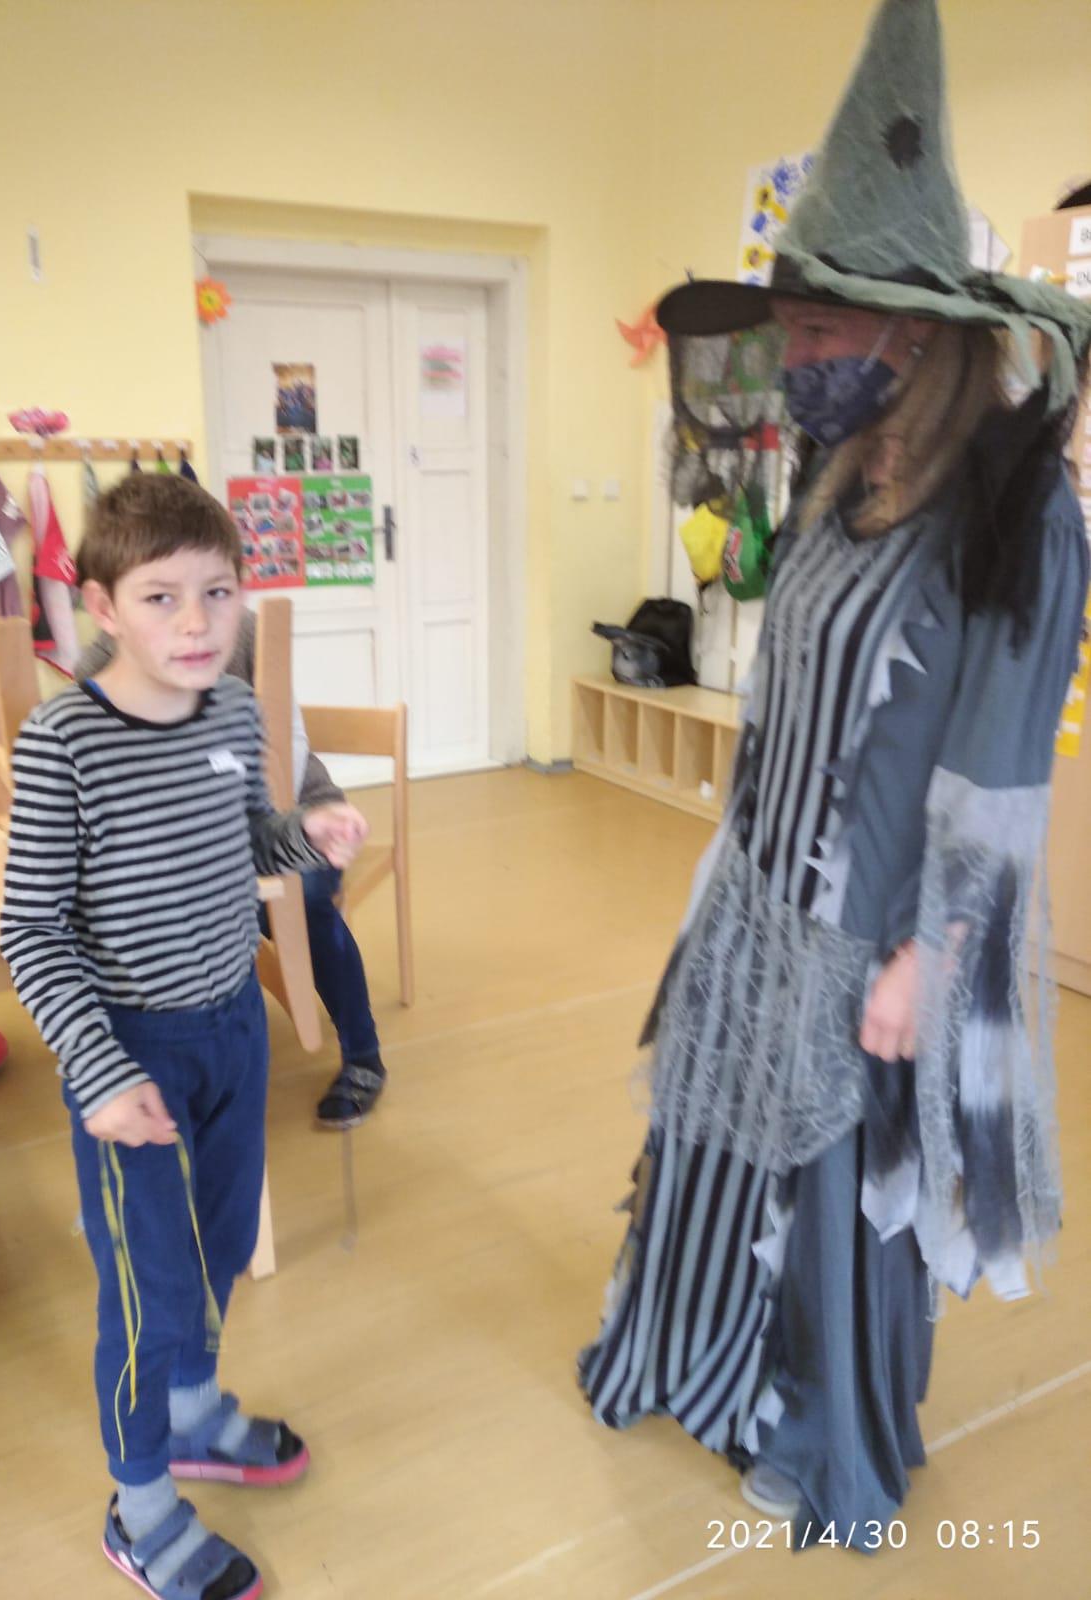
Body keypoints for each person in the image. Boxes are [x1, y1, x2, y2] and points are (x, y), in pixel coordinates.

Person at [578, 0, 1091, 1550]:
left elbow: (998, 769)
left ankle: (825, 1431)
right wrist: (725, 878)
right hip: (754, 899)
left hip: (878, 936)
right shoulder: (832, 476)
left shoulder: (1015, 510)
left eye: (816, 331)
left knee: (834, 1202)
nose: (791, 356)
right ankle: (705, 1363)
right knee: (712, 1144)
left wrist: (929, 959)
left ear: (911, 334)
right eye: (788, 329)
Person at [0, 473, 370, 1600]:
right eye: (161, 597)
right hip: (132, 1059)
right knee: (148, 1288)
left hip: (232, 1033)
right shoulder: (64, 740)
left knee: (216, 1246)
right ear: (101, 607)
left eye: (217, 591)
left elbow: (243, 839)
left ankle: (197, 1412)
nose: (198, 622)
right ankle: (141, 1501)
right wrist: (98, 1072)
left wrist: (308, 836)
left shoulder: (232, 712)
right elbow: (31, 930)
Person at [77, 606, 388, 1129]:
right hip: (191, 837)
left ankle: (363, 1053)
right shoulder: (99, 666)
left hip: (293, 807)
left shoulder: (240, 630)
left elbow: (286, 746)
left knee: (303, 900)